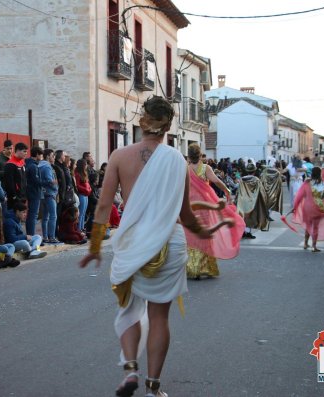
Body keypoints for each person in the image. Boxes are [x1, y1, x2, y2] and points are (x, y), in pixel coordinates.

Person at [79, 97, 231, 397]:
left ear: (142, 121)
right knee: (159, 316)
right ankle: (153, 387)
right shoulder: (176, 160)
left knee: (129, 309)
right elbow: (185, 214)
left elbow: (103, 207)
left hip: (133, 242)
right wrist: (206, 232)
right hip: (169, 243)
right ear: (169, 125)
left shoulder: (120, 156)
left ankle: (130, 369)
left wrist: (95, 247)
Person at [185, 143, 243, 280]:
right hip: (205, 206)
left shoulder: (185, 169)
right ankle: (204, 267)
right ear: (200, 156)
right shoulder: (205, 168)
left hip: (191, 205)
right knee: (205, 233)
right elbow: (217, 181)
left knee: (192, 234)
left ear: (188, 156)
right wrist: (227, 191)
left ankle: (192, 267)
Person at [284, 167, 324, 252]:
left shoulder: (307, 182)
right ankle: (314, 246)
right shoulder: (322, 184)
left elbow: (300, 196)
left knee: (308, 225)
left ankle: (305, 243)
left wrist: (295, 207)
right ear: (320, 173)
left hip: (307, 207)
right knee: (315, 227)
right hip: (318, 207)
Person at [236, 163, 269, 239]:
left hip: (242, 199)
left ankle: (243, 232)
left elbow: (238, 190)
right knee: (251, 217)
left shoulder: (242, 179)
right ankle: (248, 232)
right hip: (252, 200)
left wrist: (237, 199)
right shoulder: (256, 180)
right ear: (254, 171)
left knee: (243, 216)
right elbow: (262, 191)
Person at [39, 148, 62, 244]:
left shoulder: (40, 165)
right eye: (53, 156)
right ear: (48, 156)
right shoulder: (47, 166)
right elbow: (49, 180)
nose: (54, 158)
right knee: (53, 216)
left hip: (43, 194)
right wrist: (55, 182)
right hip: (50, 193)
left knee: (45, 217)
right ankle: (51, 237)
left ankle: (45, 237)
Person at [3, 142, 28, 209]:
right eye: (24, 151)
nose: (26, 153)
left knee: (21, 218)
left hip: (23, 196)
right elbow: (9, 183)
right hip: (15, 198)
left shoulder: (23, 163)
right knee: (14, 217)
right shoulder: (10, 164)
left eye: (26, 151)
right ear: (17, 151)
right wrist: (14, 196)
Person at [25, 146, 43, 235]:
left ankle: (30, 234)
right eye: (41, 155)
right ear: (37, 155)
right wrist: (48, 182)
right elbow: (36, 181)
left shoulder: (27, 163)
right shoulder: (33, 166)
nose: (42, 157)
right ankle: (31, 235)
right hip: (34, 192)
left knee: (31, 215)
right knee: (33, 215)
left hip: (29, 191)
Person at [74, 159, 91, 232]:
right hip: (82, 194)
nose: (86, 166)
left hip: (86, 195)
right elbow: (77, 185)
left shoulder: (85, 173)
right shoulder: (77, 174)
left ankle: (82, 227)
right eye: (85, 164)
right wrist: (86, 189)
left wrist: (90, 189)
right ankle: (79, 229)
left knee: (84, 212)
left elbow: (87, 183)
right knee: (80, 213)